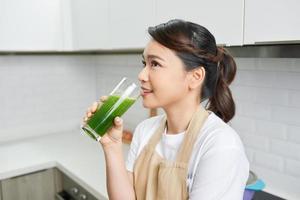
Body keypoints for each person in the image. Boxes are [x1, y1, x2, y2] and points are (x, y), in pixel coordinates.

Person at [83, 19, 249, 200]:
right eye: (144, 64)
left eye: (155, 64)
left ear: (195, 76)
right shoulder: (145, 130)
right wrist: (112, 147)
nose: (141, 75)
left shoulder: (220, 145)